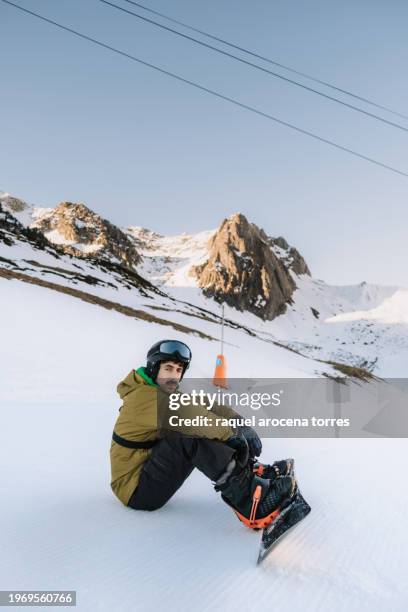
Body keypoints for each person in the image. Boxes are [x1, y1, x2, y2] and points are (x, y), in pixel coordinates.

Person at [110, 339, 296, 529]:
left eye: (178, 370)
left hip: (147, 470)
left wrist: (238, 421)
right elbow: (198, 418)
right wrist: (235, 434)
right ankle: (252, 504)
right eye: (168, 368)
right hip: (136, 491)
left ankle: (251, 473)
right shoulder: (147, 398)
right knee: (191, 435)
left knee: (207, 428)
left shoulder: (158, 391)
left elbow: (204, 404)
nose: (173, 375)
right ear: (153, 367)